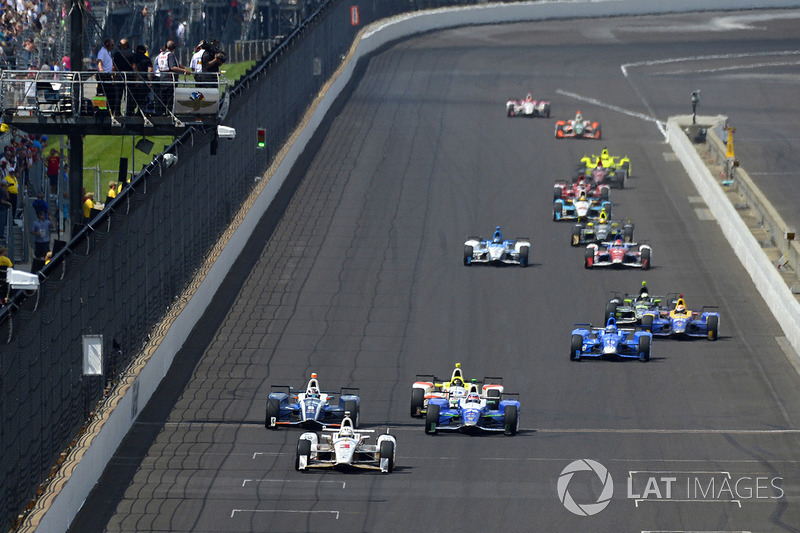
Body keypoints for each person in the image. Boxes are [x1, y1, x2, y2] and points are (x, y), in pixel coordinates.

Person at [154, 40, 190, 114]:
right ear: (173, 47)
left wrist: (183, 68)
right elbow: (173, 67)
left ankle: (162, 113)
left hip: (162, 77)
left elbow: (175, 64)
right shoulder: (170, 55)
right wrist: (184, 71)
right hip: (169, 79)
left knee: (163, 97)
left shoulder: (161, 55)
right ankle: (170, 113)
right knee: (170, 98)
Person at [112, 38, 137, 115]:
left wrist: (113, 76)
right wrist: (136, 77)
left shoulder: (116, 54)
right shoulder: (131, 54)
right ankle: (129, 112)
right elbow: (134, 66)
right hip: (130, 76)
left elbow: (114, 67)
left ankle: (117, 112)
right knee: (129, 95)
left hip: (119, 76)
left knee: (118, 95)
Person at [133, 44, 154, 114]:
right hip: (143, 81)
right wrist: (150, 81)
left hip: (133, 81)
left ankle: (130, 112)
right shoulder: (147, 59)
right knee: (142, 98)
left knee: (132, 98)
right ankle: (140, 112)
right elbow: (150, 70)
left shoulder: (132, 57)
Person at [96, 38, 115, 111]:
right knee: (101, 92)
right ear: (108, 44)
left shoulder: (109, 53)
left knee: (110, 94)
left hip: (108, 75)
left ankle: (107, 109)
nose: (113, 46)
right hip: (104, 75)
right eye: (112, 44)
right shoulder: (102, 52)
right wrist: (102, 71)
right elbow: (99, 62)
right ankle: (100, 109)